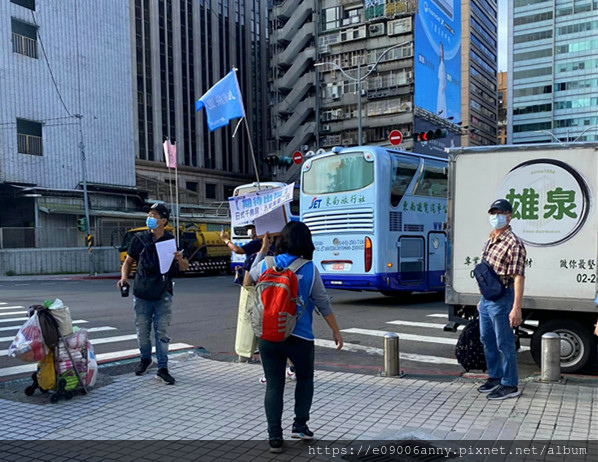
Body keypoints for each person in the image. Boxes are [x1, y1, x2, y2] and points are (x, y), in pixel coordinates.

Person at [249, 221, 343, 453]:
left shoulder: (266, 264)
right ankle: (300, 425)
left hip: (269, 335)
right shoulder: (309, 269)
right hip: (300, 336)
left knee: (274, 385)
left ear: (282, 240)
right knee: (304, 379)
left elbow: (248, 280)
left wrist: (262, 250)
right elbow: (322, 303)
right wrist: (335, 330)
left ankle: (274, 437)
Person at [117, 203, 189, 385]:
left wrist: (180, 259)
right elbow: (128, 262)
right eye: (148, 214)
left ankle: (163, 368)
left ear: (163, 220)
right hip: (141, 293)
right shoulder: (139, 239)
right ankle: (145, 359)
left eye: (153, 215)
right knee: (142, 331)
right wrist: (124, 278)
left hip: (163, 293)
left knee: (162, 331)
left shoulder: (171, 241)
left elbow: (184, 267)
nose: (149, 217)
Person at [477, 199, 526, 400]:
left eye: (500, 213)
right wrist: (481, 299)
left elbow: (519, 277)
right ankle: (495, 377)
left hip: (503, 298)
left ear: (509, 216)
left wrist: (516, 308)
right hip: (487, 299)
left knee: (504, 343)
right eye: (493, 213)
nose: (495, 217)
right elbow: (485, 273)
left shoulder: (514, 243)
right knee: (487, 339)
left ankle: (510, 384)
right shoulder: (490, 240)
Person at [437, 42, 447, 118]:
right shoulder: (440, 63)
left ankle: (442, 115)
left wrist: (444, 85)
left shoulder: (442, 64)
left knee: (442, 102)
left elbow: (444, 76)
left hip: (442, 86)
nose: (440, 52)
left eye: (441, 50)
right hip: (440, 86)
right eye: (439, 50)